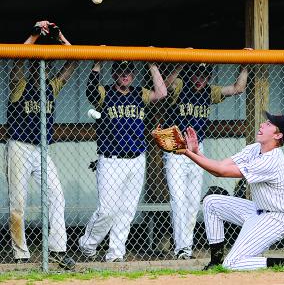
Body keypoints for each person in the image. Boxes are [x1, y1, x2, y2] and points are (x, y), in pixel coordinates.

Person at [179, 112, 284, 270]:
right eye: (265, 122)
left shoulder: (271, 161)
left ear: (278, 135)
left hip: (277, 218)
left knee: (232, 264)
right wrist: (196, 151)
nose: (262, 125)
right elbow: (221, 165)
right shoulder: (255, 149)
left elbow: (220, 172)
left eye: (269, 124)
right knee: (211, 202)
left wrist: (186, 153)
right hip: (258, 211)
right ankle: (215, 263)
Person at [78, 60, 167, 262]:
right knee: (107, 209)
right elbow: (91, 92)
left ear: (133, 74)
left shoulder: (139, 93)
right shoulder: (106, 91)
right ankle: (88, 244)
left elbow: (161, 93)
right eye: (120, 71)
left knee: (127, 211)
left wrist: (153, 66)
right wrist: (97, 64)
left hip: (136, 158)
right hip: (111, 159)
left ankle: (116, 254)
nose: (125, 75)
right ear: (114, 73)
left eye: (128, 71)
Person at [6, 20, 77, 269]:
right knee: (18, 202)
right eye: (38, 64)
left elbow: (74, 59)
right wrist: (35, 35)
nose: (42, 68)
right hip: (19, 146)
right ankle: (20, 253)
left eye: (45, 65)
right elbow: (17, 59)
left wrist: (59, 36)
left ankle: (58, 249)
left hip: (42, 149)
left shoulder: (51, 85)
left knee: (57, 196)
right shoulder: (21, 85)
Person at [163, 62, 249, 259]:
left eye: (204, 75)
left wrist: (243, 67)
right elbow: (165, 88)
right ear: (190, 74)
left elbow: (238, 88)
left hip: (197, 149)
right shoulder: (180, 85)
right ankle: (182, 249)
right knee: (178, 200)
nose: (200, 79)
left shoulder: (209, 91)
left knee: (193, 202)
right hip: (177, 149)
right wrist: (181, 62)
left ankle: (186, 248)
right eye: (196, 74)